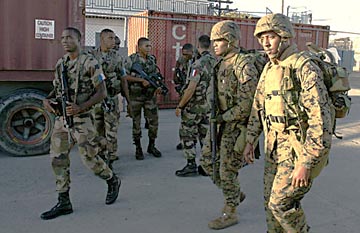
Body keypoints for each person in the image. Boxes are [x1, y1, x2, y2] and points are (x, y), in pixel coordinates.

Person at [243, 13, 333, 233]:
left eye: (270, 36)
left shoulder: (303, 66)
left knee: (281, 204)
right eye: (261, 37)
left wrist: (307, 162)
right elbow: (258, 107)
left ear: (284, 37)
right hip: (273, 148)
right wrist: (249, 141)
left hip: (297, 150)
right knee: (269, 204)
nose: (265, 42)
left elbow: (320, 120)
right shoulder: (269, 69)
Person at [40, 27, 121, 220]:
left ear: (79, 39)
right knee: (57, 158)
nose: (65, 41)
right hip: (63, 119)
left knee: (90, 160)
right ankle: (64, 201)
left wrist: (80, 107)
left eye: (69, 37)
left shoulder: (90, 62)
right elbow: (57, 90)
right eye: (62, 38)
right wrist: (46, 100)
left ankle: (112, 180)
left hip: (83, 118)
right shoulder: (61, 64)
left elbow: (102, 93)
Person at [199, 20, 260, 230]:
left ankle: (230, 211)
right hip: (219, 123)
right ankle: (234, 193)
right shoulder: (220, 63)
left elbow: (247, 104)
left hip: (235, 126)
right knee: (207, 162)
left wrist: (224, 118)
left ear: (231, 41)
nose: (214, 44)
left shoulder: (243, 65)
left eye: (219, 40)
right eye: (213, 40)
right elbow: (214, 92)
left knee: (227, 170)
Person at [89, 28, 131, 169]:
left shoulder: (117, 58)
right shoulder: (91, 57)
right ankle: (100, 154)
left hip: (111, 99)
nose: (113, 41)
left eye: (114, 38)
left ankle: (110, 158)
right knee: (97, 129)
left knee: (111, 131)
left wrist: (128, 101)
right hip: (95, 101)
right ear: (102, 39)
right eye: (110, 38)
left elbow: (123, 79)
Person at [175, 35, 216, 177]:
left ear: (198, 46)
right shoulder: (216, 62)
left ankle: (191, 164)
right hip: (209, 106)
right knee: (205, 136)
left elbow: (191, 88)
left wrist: (180, 106)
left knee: (187, 134)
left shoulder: (198, 64)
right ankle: (206, 165)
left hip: (194, 107)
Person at [125, 37, 162, 160]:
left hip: (150, 97)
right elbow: (124, 77)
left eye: (150, 46)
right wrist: (141, 80)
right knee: (136, 123)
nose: (149, 48)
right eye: (146, 46)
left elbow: (155, 76)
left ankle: (151, 145)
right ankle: (138, 148)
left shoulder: (152, 60)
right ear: (139, 47)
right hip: (135, 96)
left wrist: (157, 86)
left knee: (153, 123)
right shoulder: (131, 59)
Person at [174, 43, 195, 150]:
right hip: (185, 90)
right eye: (183, 54)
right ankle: (184, 141)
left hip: (196, 93)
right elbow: (177, 70)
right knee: (185, 119)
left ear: (192, 52)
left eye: (187, 54)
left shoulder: (198, 61)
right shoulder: (182, 60)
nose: (185, 56)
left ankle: (193, 141)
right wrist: (176, 82)